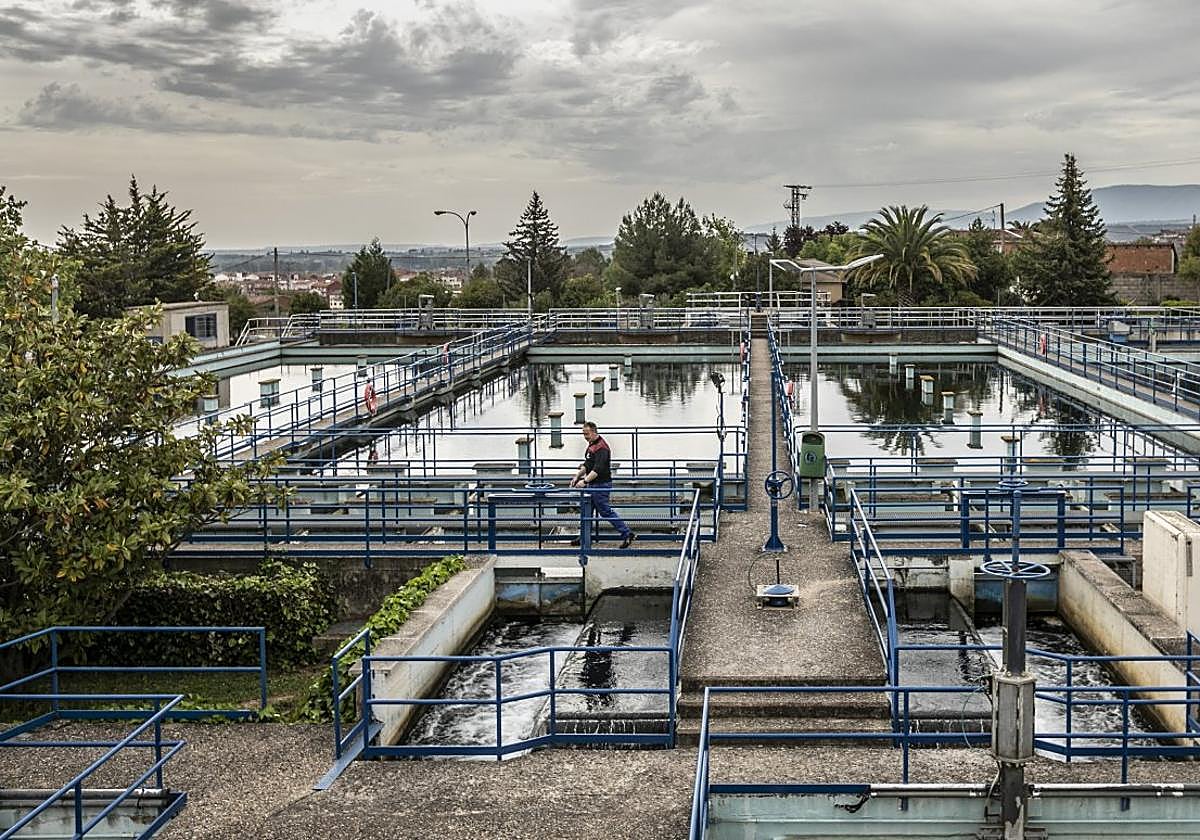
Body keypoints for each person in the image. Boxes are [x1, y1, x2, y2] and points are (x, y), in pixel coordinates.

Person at [570, 421, 636, 549]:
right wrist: (577, 476)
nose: (585, 436)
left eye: (587, 434)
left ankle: (627, 534)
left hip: (600, 485)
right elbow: (588, 464)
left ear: (594, 432)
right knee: (586, 512)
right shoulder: (593, 445)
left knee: (606, 511)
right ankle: (584, 537)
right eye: (583, 434)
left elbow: (597, 469)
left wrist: (584, 481)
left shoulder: (602, 448)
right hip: (593, 485)